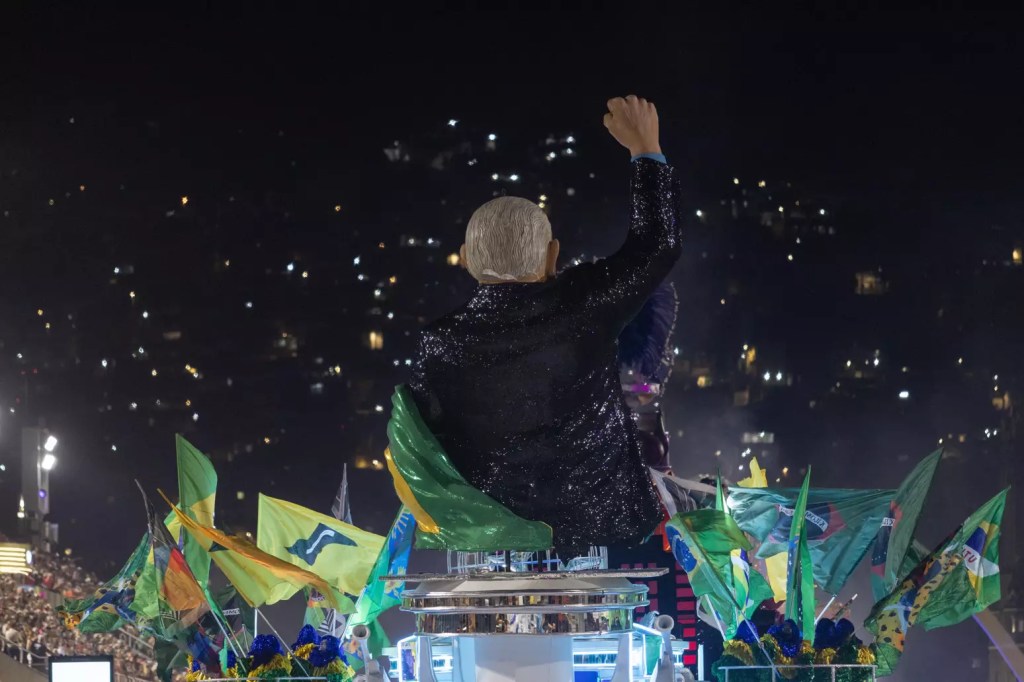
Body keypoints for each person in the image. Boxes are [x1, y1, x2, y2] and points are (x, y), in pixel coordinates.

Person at [409, 95, 683, 556]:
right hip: (605, 534)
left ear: (468, 260)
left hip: (493, 544)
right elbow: (656, 246)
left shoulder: (439, 343)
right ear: (553, 256)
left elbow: (427, 448)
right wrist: (645, 150)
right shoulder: (585, 305)